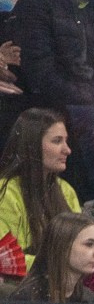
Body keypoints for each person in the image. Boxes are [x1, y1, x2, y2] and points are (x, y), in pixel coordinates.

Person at [11, 0, 94, 207]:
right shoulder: (35, 5)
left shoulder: (93, 7)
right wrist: (92, 100)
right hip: (58, 103)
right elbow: (42, 75)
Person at [0, 108, 82, 271]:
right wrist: (61, 263)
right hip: (19, 286)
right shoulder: (5, 192)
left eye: (66, 141)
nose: (67, 150)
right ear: (32, 145)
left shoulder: (66, 190)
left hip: (61, 278)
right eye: (57, 141)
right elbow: (6, 259)